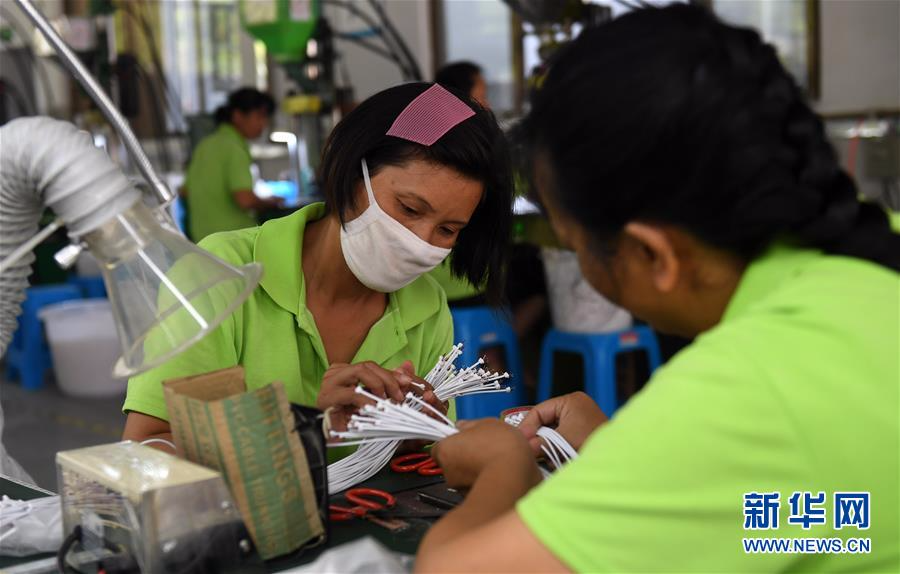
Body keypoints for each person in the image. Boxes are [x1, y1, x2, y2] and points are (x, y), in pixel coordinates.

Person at [417, 5, 899, 572]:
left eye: (574, 244)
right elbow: (845, 522)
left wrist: (505, 469)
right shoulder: (866, 269)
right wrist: (635, 462)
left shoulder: (748, 391)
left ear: (652, 254)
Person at [123, 83, 513, 455]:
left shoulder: (426, 307)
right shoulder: (218, 274)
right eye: (409, 209)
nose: (421, 240)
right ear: (350, 170)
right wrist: (309, 431)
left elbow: (420, 471)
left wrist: (413, 435)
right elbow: (149, 448)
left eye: (447, 230)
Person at [184, 87, 283, 241]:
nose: (263, 124)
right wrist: (270, 202)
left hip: (203, 241)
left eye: (266, 118)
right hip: (233, 239)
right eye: (259, 116)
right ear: (237, 116)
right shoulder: (234, 148)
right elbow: (245, 200)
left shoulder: (205, 145)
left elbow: (185, 191)